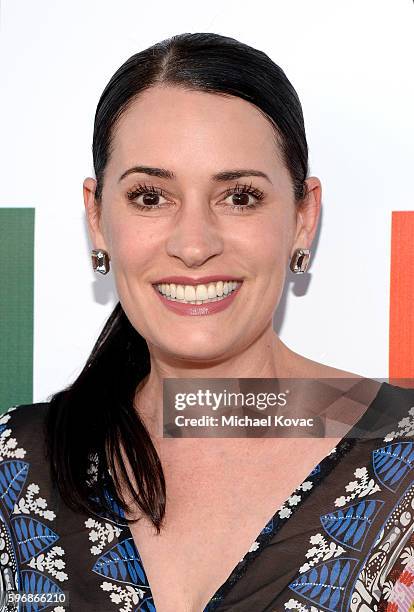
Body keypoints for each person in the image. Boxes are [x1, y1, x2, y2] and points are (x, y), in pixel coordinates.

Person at [1, 32, 414, 612]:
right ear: (97, 217)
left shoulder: (406, 456)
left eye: (239, 197)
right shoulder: (14, 466)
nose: (193, 246)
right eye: (150, 197)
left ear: (303, 217)